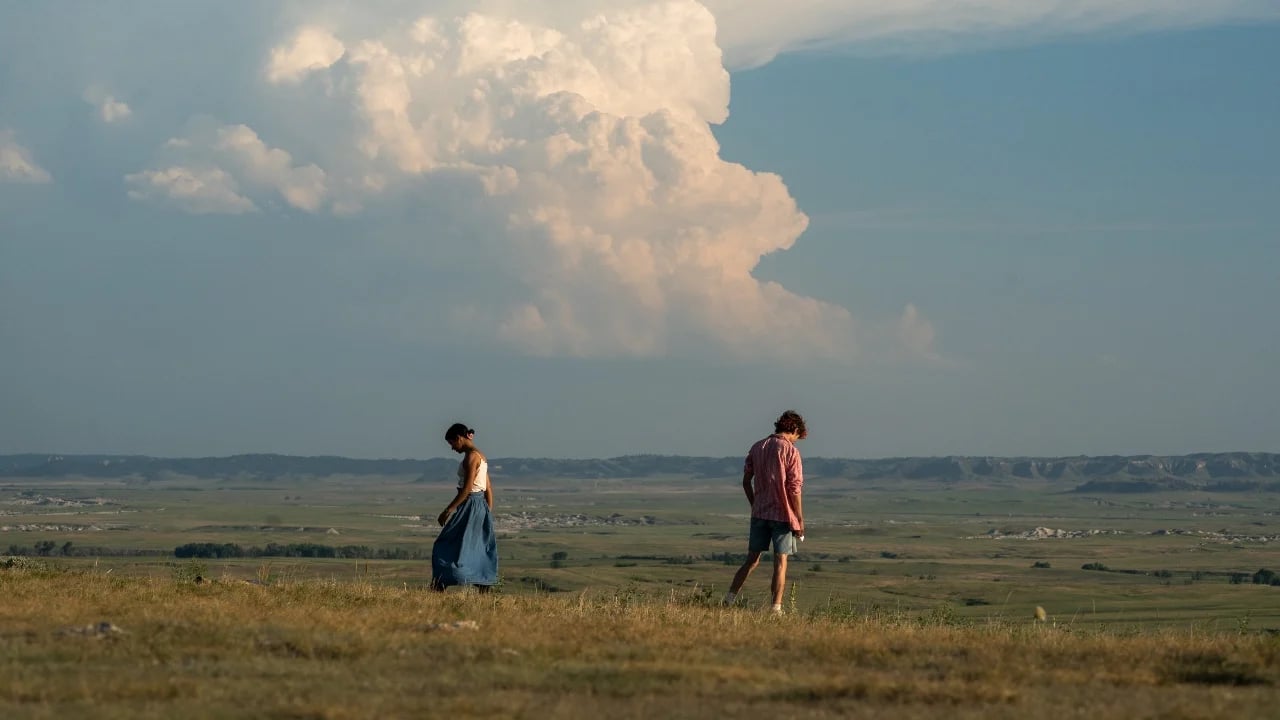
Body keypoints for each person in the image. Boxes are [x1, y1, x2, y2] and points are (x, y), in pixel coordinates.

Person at [723, 410, 806, 615]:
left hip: (759, 512)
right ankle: (775, 608)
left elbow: (745, 481)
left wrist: (755, 503)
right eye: (798, 437)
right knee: (781, 561)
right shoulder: (790, 451)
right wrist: (800, 518)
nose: (796, 441)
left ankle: (729, 599)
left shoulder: (757, 446)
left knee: (752, 559)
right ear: (794, 429)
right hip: (783, 514)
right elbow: (794, 488)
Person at [430, 423, 498, 592]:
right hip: (479, 505)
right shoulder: (481, 456)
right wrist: (487, 510)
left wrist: (448, 510)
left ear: (459, 438)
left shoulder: (471, 458)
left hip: (469, 503)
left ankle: (441, 583)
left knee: (445, 543)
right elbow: (488, 487)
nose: (453, 448)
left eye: (452, 443)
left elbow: (467, 489)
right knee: (476, 545)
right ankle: (483, 584)